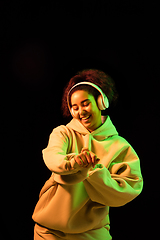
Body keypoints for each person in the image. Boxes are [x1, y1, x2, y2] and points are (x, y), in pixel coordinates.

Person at [32, 69, 143, 240]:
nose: (80, 112)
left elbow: (130, 188)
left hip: (92, 232)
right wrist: (75, 163)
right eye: (74, 107)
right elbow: (52, 157)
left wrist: (96, 172)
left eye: (85, 103)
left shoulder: (120, 146)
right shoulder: (63, 133)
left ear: (101, 101)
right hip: (49, 231)